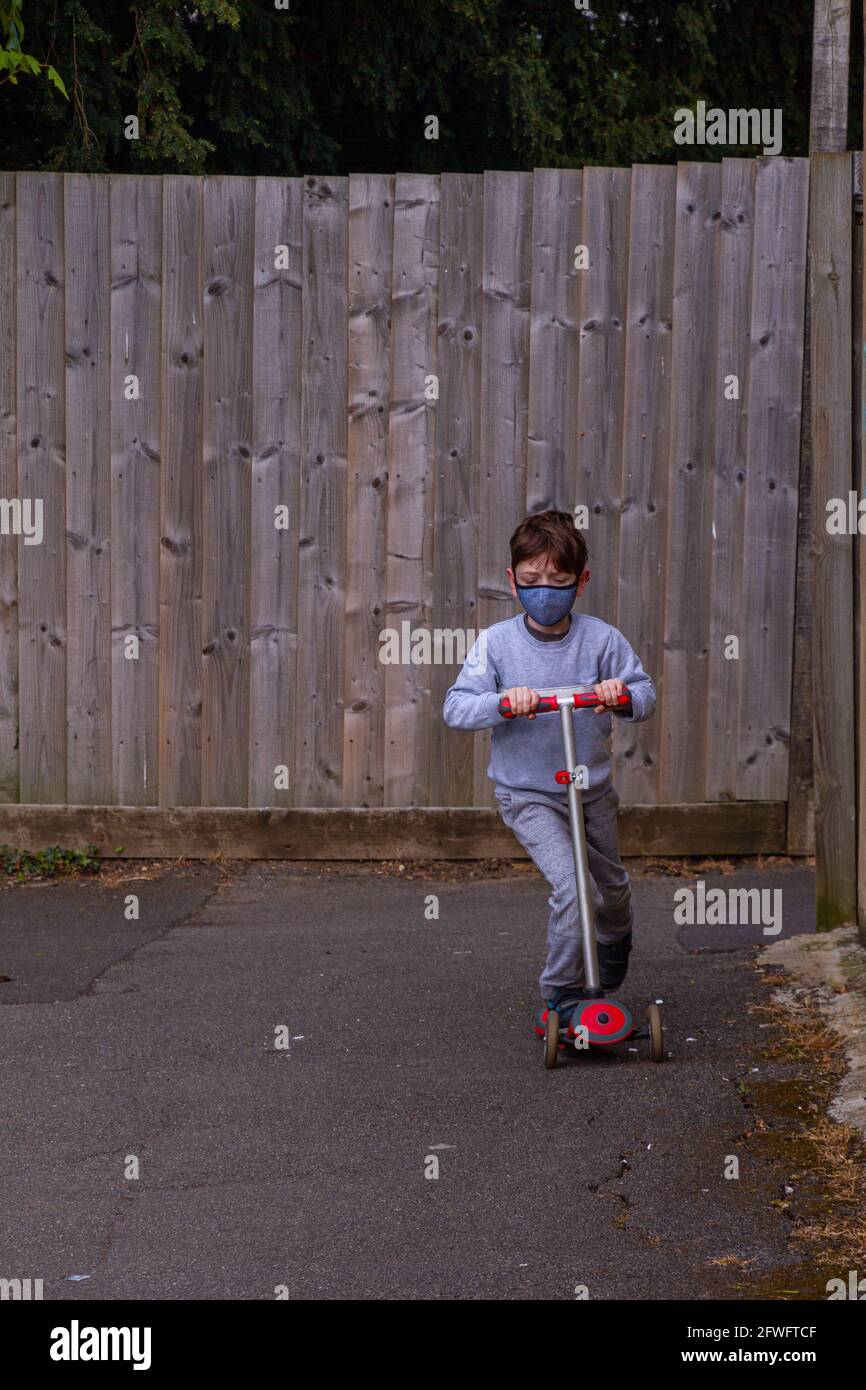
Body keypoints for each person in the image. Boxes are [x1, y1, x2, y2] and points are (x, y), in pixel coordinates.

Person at [442, 509, 656, 1031]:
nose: (545, 593)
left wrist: (620, 694)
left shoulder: (601, 640)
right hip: (529, 794)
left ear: (580, 583)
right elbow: (456, 708)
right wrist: (501, 702)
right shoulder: (497, 644)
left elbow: (645, 693)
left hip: (593, 792)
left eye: (558, 583)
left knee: (612, 892)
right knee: (574, 888)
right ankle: (561, 994)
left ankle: (609, 951)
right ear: (512, 580)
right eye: (533, 582)